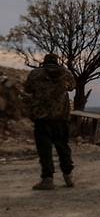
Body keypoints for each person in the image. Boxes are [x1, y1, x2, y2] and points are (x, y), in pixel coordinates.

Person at [24, 53, 76, 190]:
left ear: (44, 62)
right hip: (61, 118)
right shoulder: (65, 73)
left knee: (44, 150)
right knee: (63, 146)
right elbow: (72, 87)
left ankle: (47, 179)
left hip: (42, 118)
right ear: (57, 62)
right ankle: (68, 176)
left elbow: (28, 89)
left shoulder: (35, 74)